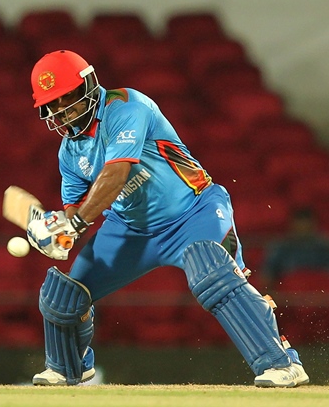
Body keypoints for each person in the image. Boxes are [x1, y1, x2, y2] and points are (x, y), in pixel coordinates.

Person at [25, 50, 309, 388]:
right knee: (64, 295)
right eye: (53, 104)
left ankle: (284, 364)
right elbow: (75, 206)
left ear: (87, 85)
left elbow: (116, 174)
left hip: (194, 210)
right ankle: (68, 369)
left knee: (212, 271)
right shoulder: (69, 152)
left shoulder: (126, 106)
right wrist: (60, 230)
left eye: (67, 98)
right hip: (129, 229)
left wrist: (75, 223)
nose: (62, 111)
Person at [263, 207, 329, 283]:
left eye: (306, 225)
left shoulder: (324, 247)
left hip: (320, 292)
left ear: (314, 225)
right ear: (292, 225)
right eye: (300, 225)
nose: (303, 229)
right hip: (288, 293)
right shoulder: (281, 247)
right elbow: (267, 274)